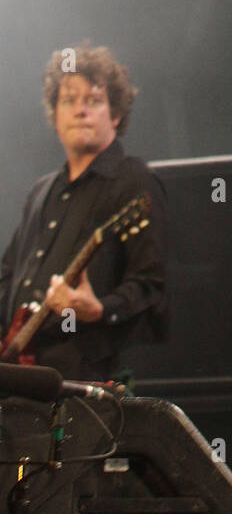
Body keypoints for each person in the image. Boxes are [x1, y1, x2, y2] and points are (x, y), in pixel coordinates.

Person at [0, 45, 166, 383]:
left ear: (115, 115)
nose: (80, 111)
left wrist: (99, 310)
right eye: (69, 101)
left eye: (93, 101)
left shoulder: (133, 180)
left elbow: (151, 286)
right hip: (20, 376)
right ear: (55, 115)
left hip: (82, 380)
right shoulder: (41, 191)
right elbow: (7, 277)